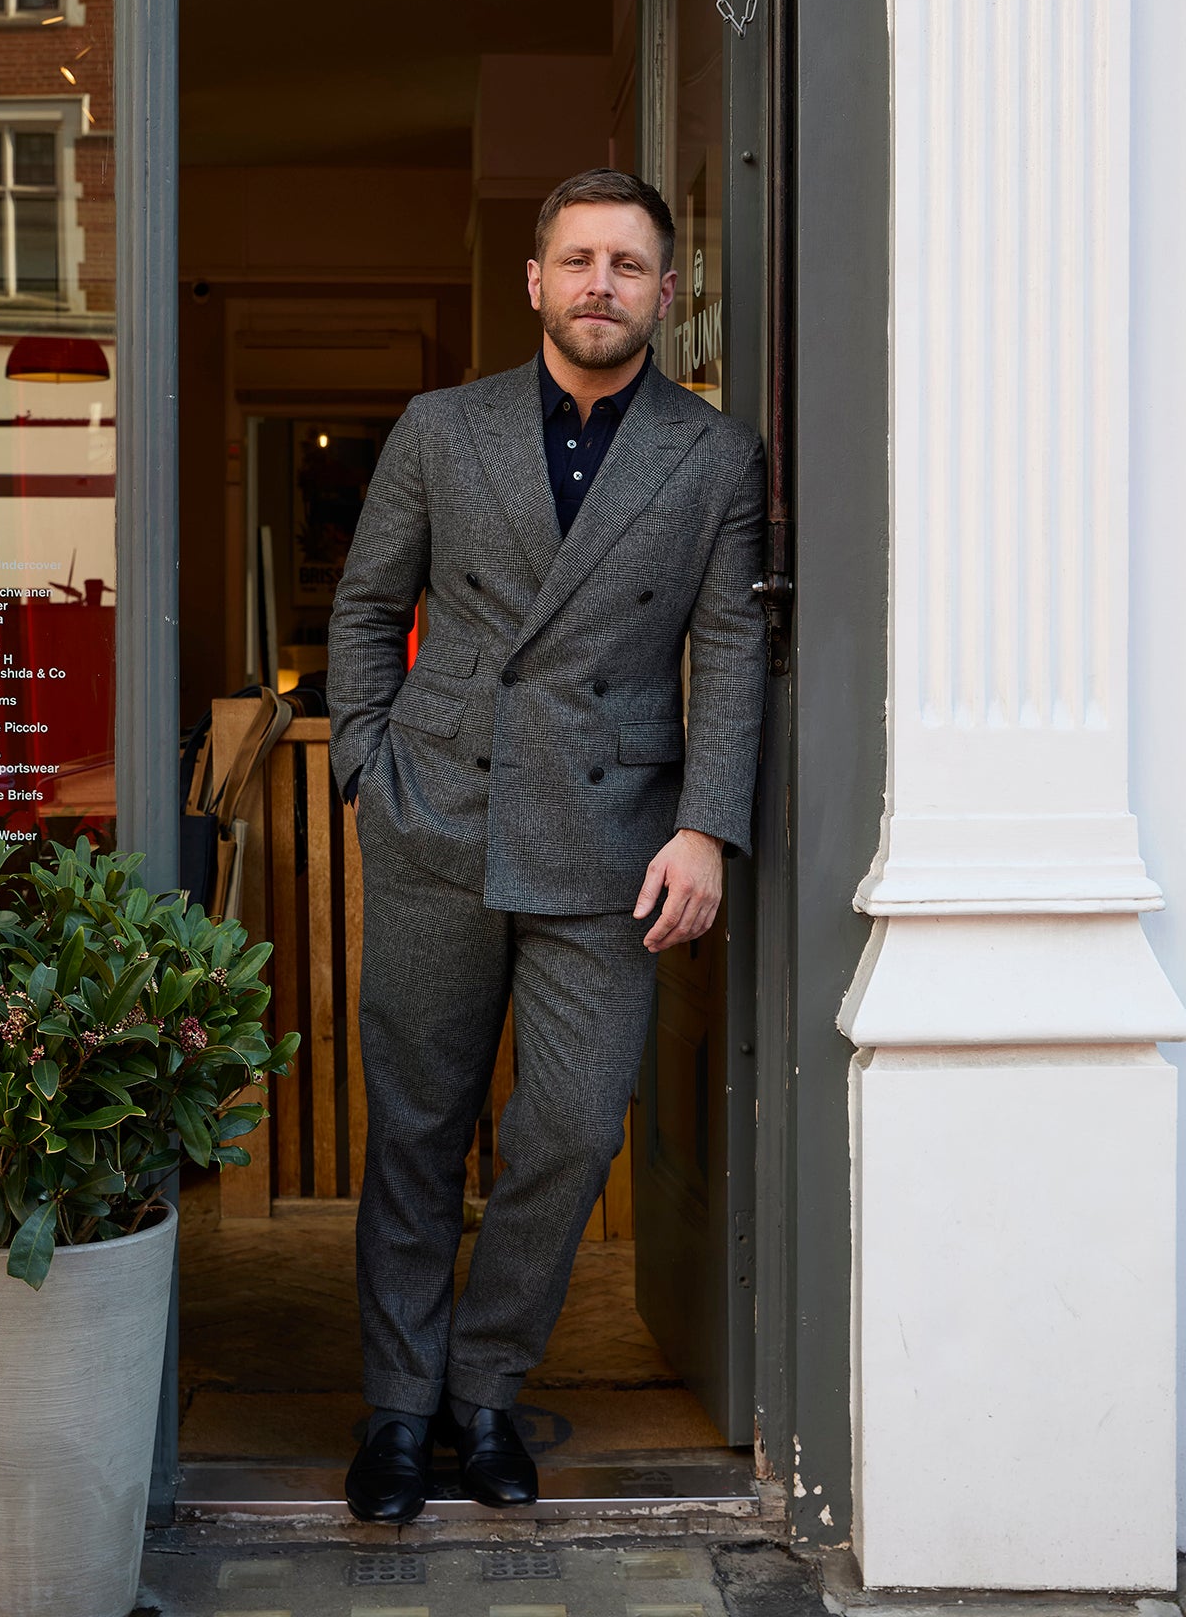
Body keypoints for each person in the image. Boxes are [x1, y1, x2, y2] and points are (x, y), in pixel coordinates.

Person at [326, 167, 767, 1523]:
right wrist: (366, 768)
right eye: (577, 261)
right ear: (535, 282)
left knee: (570, 1132)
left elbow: (737, 650)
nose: (599, 285)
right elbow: (363, 606)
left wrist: (705, 826)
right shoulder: (440, 431)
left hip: (612, 840)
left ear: (666, 291)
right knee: (416, 1129)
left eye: (627, 265)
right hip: (439, 817)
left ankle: (485, 1389)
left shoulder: (712, 456)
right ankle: (401, 1414)